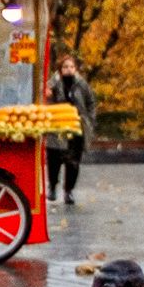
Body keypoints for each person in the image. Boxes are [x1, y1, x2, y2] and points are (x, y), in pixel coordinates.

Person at [46, 60, 91, 205]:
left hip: (76, 126)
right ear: (60, 69)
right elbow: (46, 101)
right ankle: (52, 186)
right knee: (54, 160)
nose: (69, 70)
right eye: (65, 67)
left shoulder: (82, 84)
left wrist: (89, 120)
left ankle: (68, 191)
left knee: (73, 162)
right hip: (57, 127)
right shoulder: (53, 83)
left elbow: (90, 102)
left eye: (71, 67)